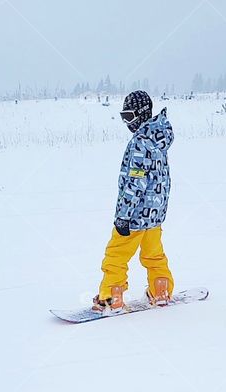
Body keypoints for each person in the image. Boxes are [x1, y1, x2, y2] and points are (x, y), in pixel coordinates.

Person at [93, 90, 175, 313]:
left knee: (116, 255)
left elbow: (135, 182)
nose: (127, 123)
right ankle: (160, 290)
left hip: (135, 215)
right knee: (153, 255)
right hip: (154, 215)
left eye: (129, 116)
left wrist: (123, 215)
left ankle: (110, 298)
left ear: (142, 114)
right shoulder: (158, 139)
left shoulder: (139, 143)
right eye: (123, 117)